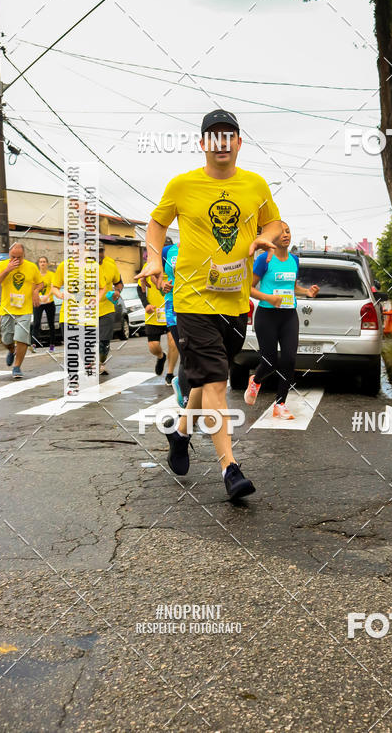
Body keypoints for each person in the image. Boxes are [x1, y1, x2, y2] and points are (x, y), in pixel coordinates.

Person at [138, 108, 282, 500]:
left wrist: (264, 236)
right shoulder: (183, 185)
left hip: (235, 304)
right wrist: (153, 258)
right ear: (202, 144)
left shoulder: (255, 185)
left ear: (238, 142)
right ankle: (229, 468)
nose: (221, 142)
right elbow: (156, 224)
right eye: (213, 136)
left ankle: (180, 432)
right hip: (191, 299)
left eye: (229, 135)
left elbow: (275, 223)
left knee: (205, 378)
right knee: (216, 381)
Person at [244, 222, 319, 418]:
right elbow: (248, 288)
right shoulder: (264, 260)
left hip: (289, 315)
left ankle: (280, 403)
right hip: (267, 315)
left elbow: (293, 287)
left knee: (289, 358)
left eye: (288, 231)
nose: (286, 235)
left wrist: (307, 292)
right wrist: (268, 298)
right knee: (269, 361)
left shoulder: (294, 259)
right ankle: (256, 381)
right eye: (281, 232)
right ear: (272, 236)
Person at [0, 242, 43, 378]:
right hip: (7, 309)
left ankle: (17, 367)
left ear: (24, 255)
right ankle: (11, 350)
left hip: (25, 309)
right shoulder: (2, 265)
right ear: (9, 255)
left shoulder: (31, 267)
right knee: (6, 339)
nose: (15, 260)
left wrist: (36, 291)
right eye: (13, 257)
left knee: (22, 338)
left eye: (18, 257)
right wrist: (7, 270)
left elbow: (40, 283)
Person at [137, 257, 178, 382]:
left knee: (173, 343)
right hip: (154, 313)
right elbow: (140, 288)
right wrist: (146, 305)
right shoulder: (149, 266)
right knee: (153, 347)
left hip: (172, 310)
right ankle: (161, 356)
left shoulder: (177, 265)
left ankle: (170, 373)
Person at [161, 242, 190, 408]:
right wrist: (161, 284)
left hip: (197, 305)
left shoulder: (202, 246)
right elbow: (156, 276)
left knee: (195, 352)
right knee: (185, 352)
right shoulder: (168, 251)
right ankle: (186, 396)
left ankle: (185, 383)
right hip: (173, 305)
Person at [98, 246, 123, 375]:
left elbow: (119, 283)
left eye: (101, 250)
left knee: (104, 340)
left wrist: (117, 292)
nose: (99, 253)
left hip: (107, 307)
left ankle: (101, 363)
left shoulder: (110, 265)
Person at [32, 255, 56, 351]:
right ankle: (33, 344)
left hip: (49, 302)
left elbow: (53, 286)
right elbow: (32, 287)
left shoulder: (51, 275)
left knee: (51, 324)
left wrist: (47, 295)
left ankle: (52, 345)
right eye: (41, 262)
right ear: (39, 264)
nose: (42, 263)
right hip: (38, 303)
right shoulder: (35, 275)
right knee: (36, 323)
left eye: (44, 261)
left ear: (47, 263)